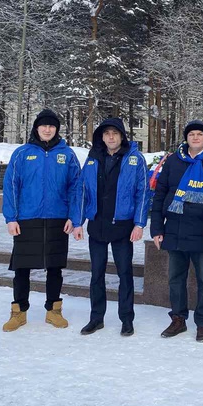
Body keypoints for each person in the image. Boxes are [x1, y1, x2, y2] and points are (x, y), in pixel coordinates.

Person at [1, 109, 82, 332]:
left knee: (55, 268)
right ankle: (19, 312)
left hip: (58, 219)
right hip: (27, 219)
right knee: (22, 269)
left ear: (57, 129)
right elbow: (11, 186)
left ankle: (53, 311)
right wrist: (11, 217)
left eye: (52, 126)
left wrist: (74, 218)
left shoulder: (67, 155)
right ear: (36, 128)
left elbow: (76, 187)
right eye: (43, 125)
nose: (47, 129)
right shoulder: (22, 153)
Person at [150, 120, 203, 342]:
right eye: (191, 134)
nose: (195, 138)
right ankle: (178, 318)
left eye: (199, 134)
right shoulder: (174, 161)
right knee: (176, 278)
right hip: (175, 229)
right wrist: (157, 228)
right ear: (186, 138)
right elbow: (160, 195)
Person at [74, 118, 147, 337]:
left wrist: (139, 223)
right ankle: (96, 318)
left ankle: (126, 319)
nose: (111, 137)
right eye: (107, 134)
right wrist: (78, 222)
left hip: (122, 226)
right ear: (102, 137)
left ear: (122, 136)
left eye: (115, 133)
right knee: (96, 273)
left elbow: (143, 191)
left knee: (125, 273)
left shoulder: (135, 158)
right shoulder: (93, 158)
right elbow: (82, 190)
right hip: (98, 225)